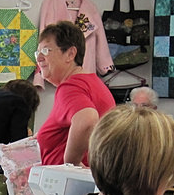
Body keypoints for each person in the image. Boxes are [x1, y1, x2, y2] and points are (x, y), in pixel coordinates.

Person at [35, 21, 115, 167]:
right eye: (37, 53)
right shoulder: (91, 82)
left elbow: (87, 120)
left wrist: (71, 165)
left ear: (70, 54)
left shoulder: (70, 87)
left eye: (46, 51)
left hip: (73, 188)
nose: (39, 58)